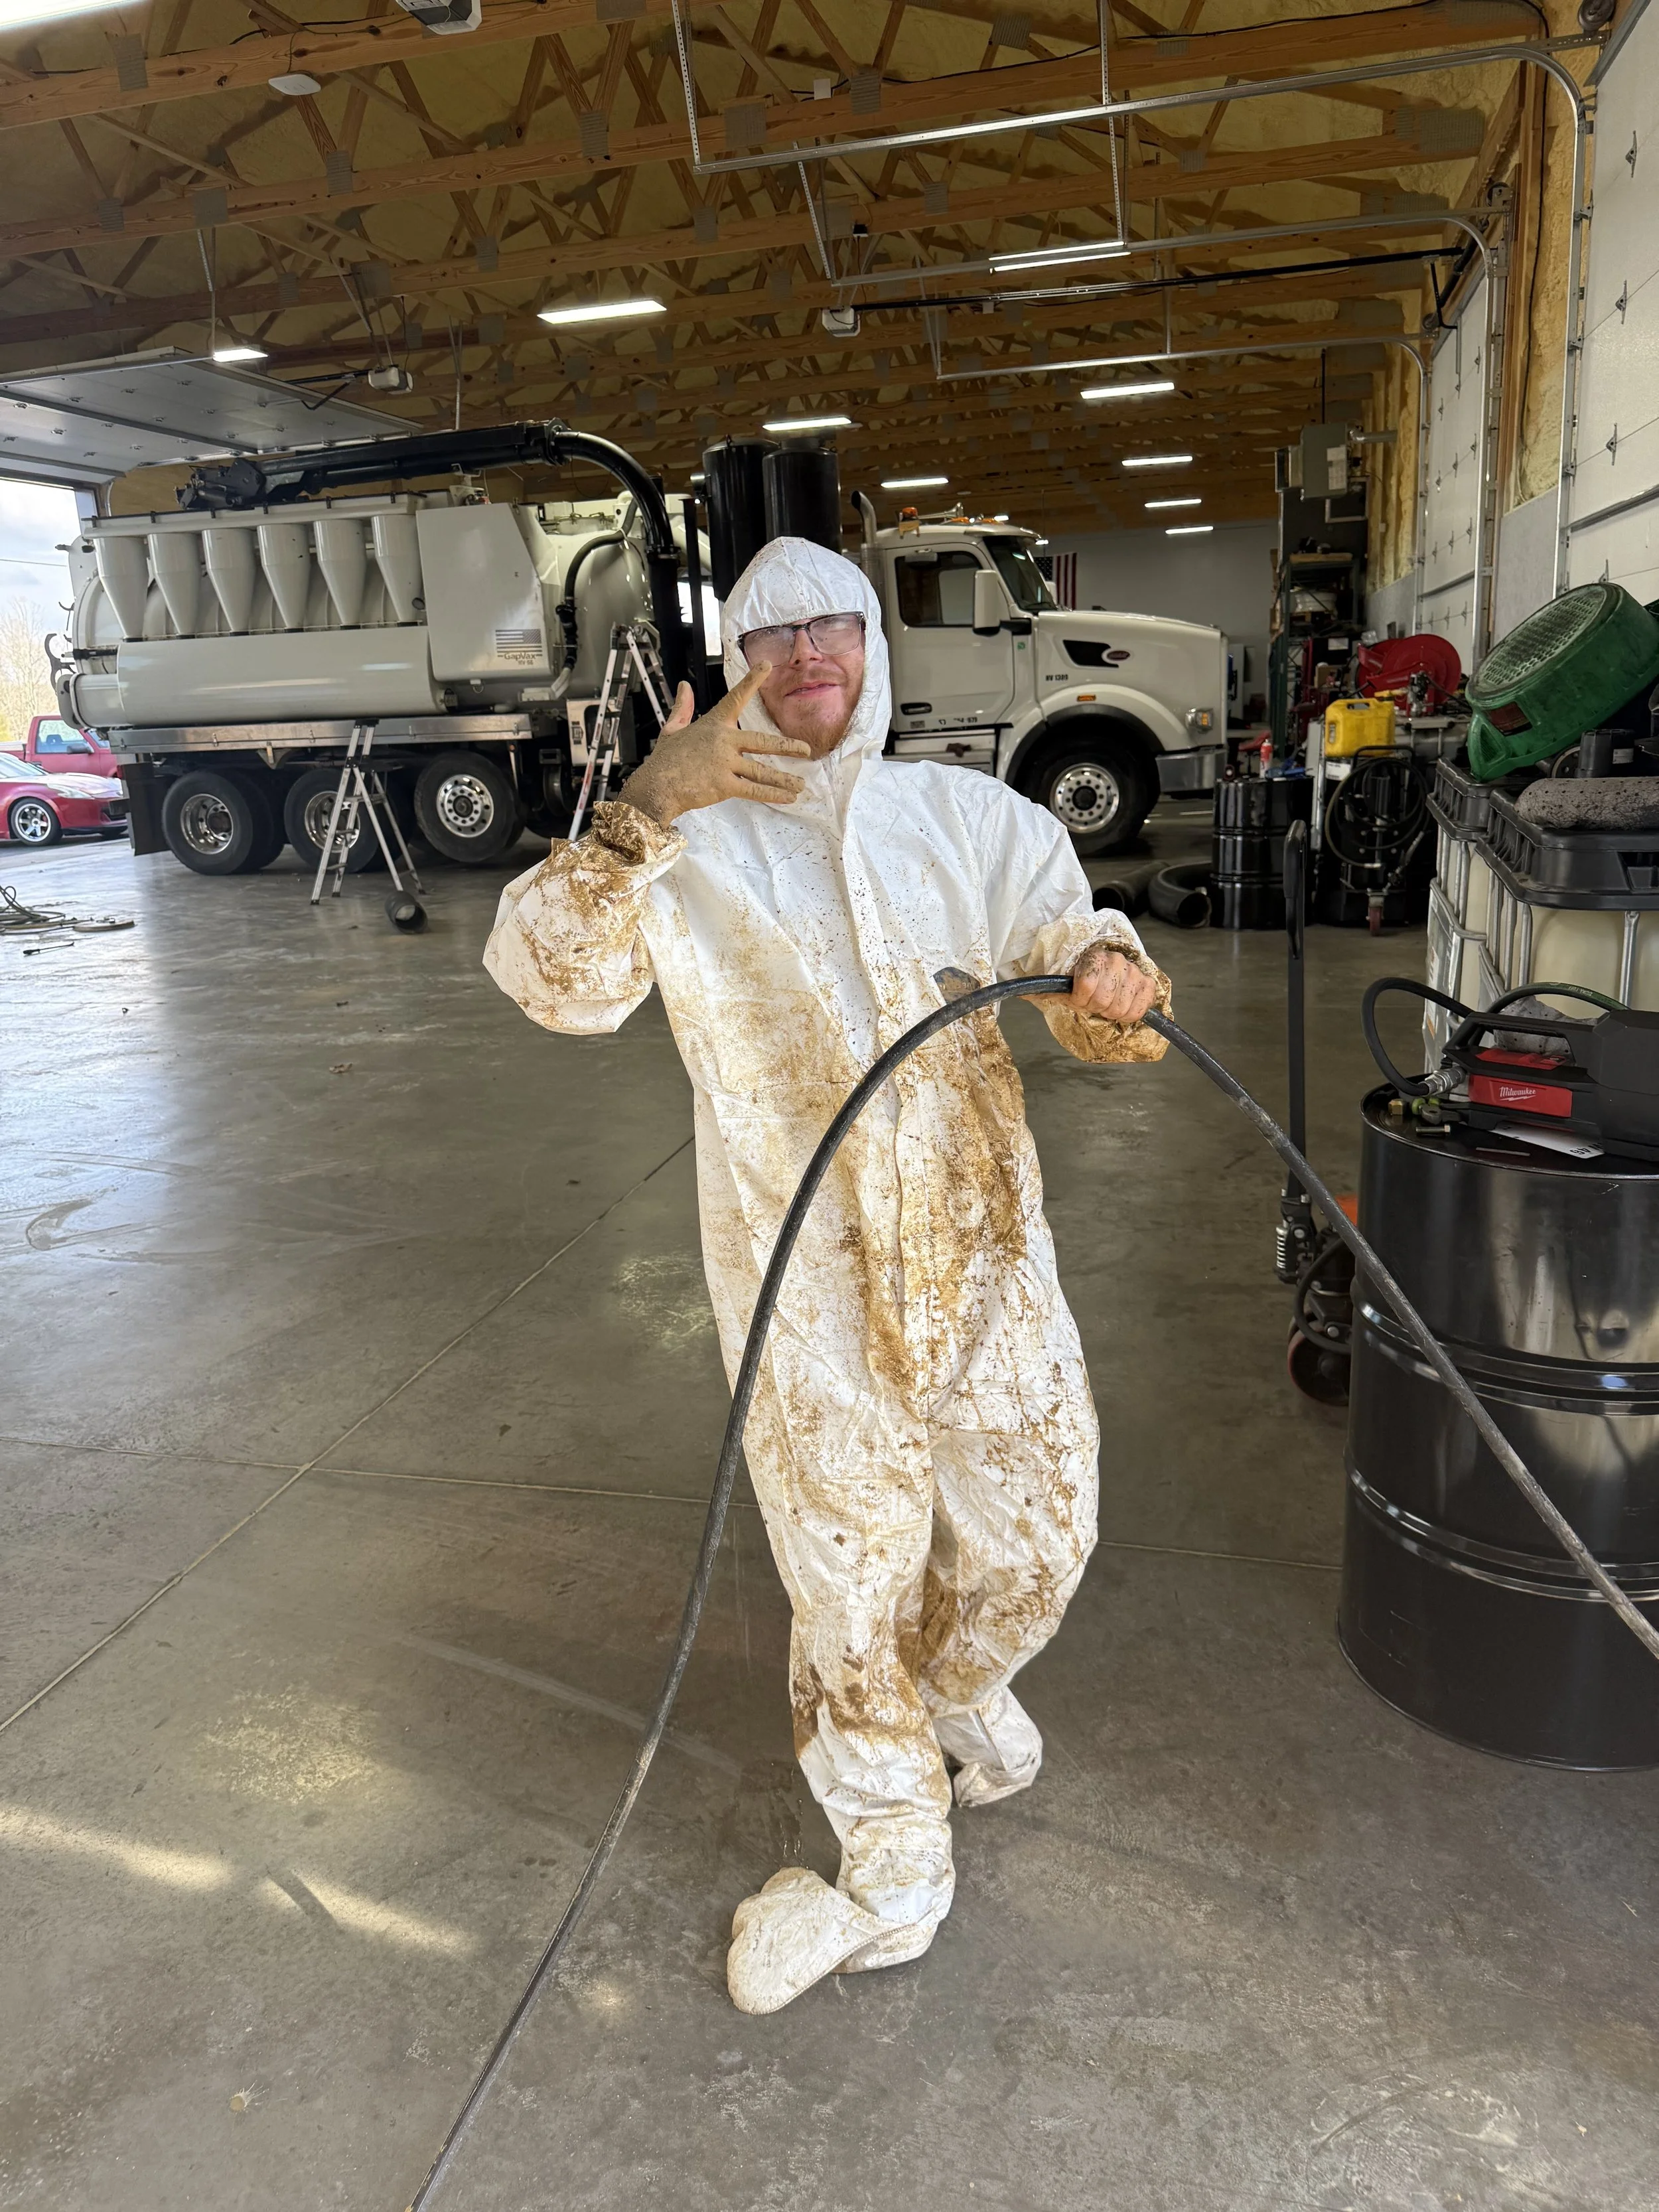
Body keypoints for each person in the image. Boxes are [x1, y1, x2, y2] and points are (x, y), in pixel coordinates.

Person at [484, 536, 1169, 2014]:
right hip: (804, 1282)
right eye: (774, 632)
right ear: (738, 663)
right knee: (846, 1580)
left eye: (834, 627)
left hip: (985, 1257)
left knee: (1043, 1534)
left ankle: (954, 1694)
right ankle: (888, 1861)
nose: (809, 654)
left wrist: (1112, 974)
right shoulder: (682, 848)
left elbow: (1071, 945)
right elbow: (548, 983)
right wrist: (636, 817)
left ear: (873, 647)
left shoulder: (959, 819)